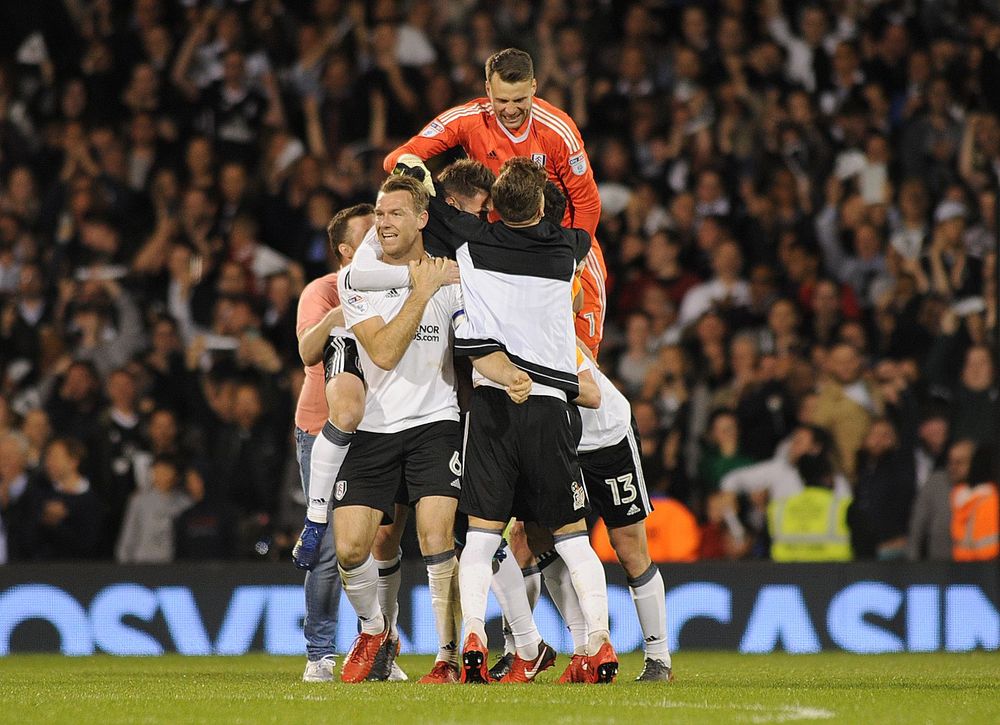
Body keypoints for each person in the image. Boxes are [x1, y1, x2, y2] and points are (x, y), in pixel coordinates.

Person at [404, 156, 618, 684]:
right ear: (544, 206)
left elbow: (427, 210)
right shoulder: (569, 250)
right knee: (571, 538)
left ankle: (474, 631)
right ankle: (599, 640)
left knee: (480, 536)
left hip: (495, 405)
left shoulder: (472, 244)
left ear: (495, 206)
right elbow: (587, 213)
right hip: (551, 407)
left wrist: (417, 172)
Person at [384, 48, 608, 356]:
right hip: (504, 245)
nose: (511, 109)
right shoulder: (467, 119)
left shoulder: (558, 130)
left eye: (519, 100)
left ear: (533, 87)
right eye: (501, 100)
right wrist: (420, 175)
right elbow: (398, 158)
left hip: (562, 241)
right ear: (488, 89)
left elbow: (587, 203)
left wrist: (574, 258)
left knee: (582, 346)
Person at [332, 175, 464, 684]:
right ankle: (375, 629)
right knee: (350, 549)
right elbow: (383, 353)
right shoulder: (355, 281)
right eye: (380, 216)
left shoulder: (450, 278)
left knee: (435, 537)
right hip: (376, 427)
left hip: (436, 422)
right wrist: (419, 290)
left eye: (395, 214)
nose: (384, 223)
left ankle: (447, 658)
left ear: (422, 219)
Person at [290, 202, 374, 682]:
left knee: (380, 543)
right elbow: (306, 350)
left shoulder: (397, 281)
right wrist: (345, 310)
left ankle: (378, 649)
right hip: (322, 429)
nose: (380, 235)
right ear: (345, 250)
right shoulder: (321, 291)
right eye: (367, 232)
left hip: (380, 429)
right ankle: (320, 652)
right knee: (327, 548)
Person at [768, 452, 853, 562]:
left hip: (784, 573)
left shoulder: (778, 508)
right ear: (827, 477)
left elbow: (767, 544)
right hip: (834, 573)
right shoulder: (843, 506)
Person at [114, 456, 194, 563]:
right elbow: (129, 533)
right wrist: (124, 561)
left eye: (166, 470)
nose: (160, 475)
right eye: (156, 470)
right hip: (143, 562)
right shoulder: (139, 501)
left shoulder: (186, 502)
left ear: (177, 474)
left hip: (173, 563)